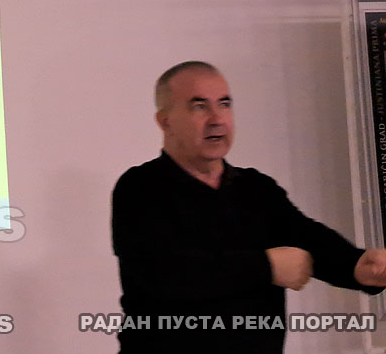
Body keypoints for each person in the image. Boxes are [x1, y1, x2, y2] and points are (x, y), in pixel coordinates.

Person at [112, 61, 386, 354]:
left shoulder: (256, 188)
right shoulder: (139, 188)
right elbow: (166, 273)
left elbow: (307, 238)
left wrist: (358, 266)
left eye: (225, 104)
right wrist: (266, 266)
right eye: (199, 106)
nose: (217, 119)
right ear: (165, 121)